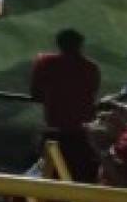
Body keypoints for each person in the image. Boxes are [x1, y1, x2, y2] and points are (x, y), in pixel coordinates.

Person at [29, 29, 101, 163]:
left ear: (58, 44)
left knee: (46, 168)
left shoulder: (45, 62)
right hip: (83, 133)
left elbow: (36, 94)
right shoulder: (92, 67)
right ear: (80, 45)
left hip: (55, 130)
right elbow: (93, 92)